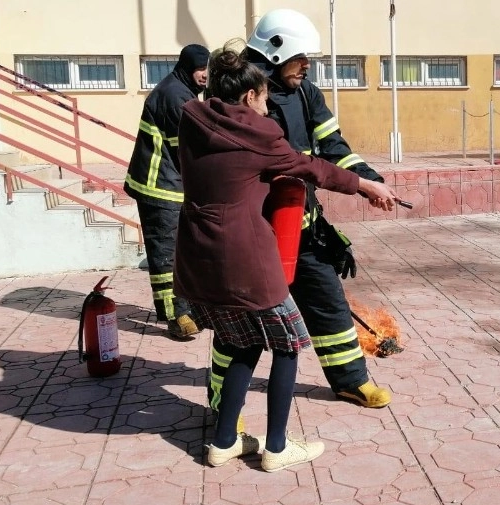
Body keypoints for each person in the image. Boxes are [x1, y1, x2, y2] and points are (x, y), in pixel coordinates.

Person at [173, 49, 398, 470]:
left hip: (197, 257)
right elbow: (313, 169)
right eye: (263, 99)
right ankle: (276, 448)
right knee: (290, 343)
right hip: (245, 259)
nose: (268, 106)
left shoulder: (195, 120)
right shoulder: (259, 136)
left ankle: (224, 441)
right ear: (249, 97)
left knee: (244, 342)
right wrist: (368, 187)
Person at [241, 8, 395, 409]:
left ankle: (350, 380)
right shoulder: (242, 94)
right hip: (254, 234)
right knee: (244, 324)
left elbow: (332, 145)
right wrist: (358, 185)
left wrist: (368, 180)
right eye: (301, 57)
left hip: (302, 226)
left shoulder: (306, 93)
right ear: (275, 53)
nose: (308, 66)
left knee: (328, 300)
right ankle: (226, 402)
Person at [124, 44, 209, 340]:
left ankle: (187, 307)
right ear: (188, 67)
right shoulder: (175, 96)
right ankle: (176, 316)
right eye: (201, 69)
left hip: (169, 185)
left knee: (181, 252)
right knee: (166, 255)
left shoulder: (182, 91)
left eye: (208, 68)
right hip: (158, 187)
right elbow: (187, 149)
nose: (205, 75)